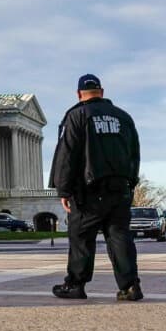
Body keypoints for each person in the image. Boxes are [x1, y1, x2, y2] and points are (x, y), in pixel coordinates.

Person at [48, 74, 142, 301]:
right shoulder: (123, 117)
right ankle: (130, 286)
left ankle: (76, 284)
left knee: (81, 238)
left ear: (79, 94)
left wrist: (63, 189)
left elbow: (67, 155)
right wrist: (131, 182)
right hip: (120, 188)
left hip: (88, 191)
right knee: (120, 237)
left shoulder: (77, 115)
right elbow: (134, 153)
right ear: (102, 90)